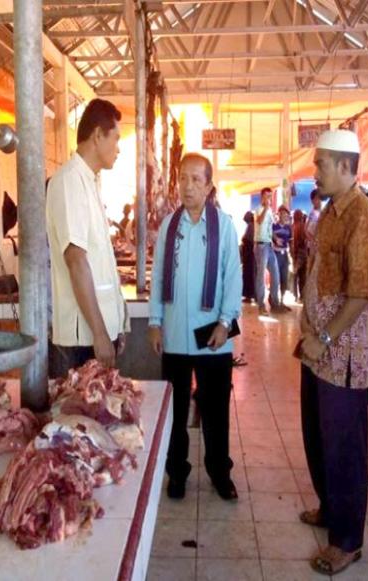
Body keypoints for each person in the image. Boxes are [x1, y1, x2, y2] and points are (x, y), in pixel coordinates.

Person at [298, 130, 368, 575]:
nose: (315, 173)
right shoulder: (330, 211)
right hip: (317, 349)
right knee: (316, 435)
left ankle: (347, 540)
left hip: (342, 352)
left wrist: (325, 337)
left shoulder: (363, 216)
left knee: (345, 446)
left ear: (347, 168)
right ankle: (330, 509)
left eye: (321, 165)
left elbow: (362, 293)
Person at [148, 153, 242, 502]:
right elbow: (158, 276)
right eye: (183, 178)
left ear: (209, 186)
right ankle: (177, 472)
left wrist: (225, 322)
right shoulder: (169, 226)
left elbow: (234, 277)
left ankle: (220, 472)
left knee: (216, 408)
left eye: (195, 180)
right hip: (173, 333)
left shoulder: (224, 225)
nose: (187, 186)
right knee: (174, 408)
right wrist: (155, 323)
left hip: (213, 334)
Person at [46, 99, 129, 376]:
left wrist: (117, 323)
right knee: (86, 415)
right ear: (97, 135)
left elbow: (100, 261)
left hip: (98, 331)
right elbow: (76, 261)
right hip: (85, 338)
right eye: (115, 139)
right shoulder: (70, 181)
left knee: (104, 408)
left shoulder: (90, 181)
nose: (118, 149)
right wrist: (101, 333)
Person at [254, 187, 280, 315]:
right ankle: (260, 305)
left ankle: (274, 302)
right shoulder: (259, 209)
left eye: (270, 196)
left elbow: (269, 227)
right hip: (260, 246)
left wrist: (275, 239)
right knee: (261, 276)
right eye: (267, 196)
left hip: (269, 245)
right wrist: (265, 208)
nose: (269, 198)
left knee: (275, 274)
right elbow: (259, 221)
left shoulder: (269, 210)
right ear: (262, 197)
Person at [272, 206, 292, 311]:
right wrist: (275, 239)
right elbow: (270, 235)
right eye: (282, 214)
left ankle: (282, 301)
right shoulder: (274, 226)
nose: (284, 216)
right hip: (276, 254)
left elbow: (290, 241)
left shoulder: (289, 228)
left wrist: (291, 255)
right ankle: (274, 302)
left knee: (284, 278)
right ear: (278, 214)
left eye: (286, 214)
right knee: (276, 279)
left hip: (285, 255)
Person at [291, 209, 308, 302]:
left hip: (297, 254)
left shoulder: (293, 226)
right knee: (303, 276)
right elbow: (304, 239)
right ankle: (302, 295)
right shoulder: (303, 226)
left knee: (295, 275)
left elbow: (294, 243)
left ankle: (295, 295)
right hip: (304, 253)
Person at [241, 211, 256, 302]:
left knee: (248, 274)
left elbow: (246, 239)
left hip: (249, 255)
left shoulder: (250, 226)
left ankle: (248, 295)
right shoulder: (253, 226)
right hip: (251, 255)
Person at [305, 188, 322, 254]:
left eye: (320, 198)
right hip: (313, 247)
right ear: (312, 201)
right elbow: (306, 230)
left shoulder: (322, 212)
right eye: (317, 199)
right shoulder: (313, 213)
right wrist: (313, 240)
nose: (320, 201)